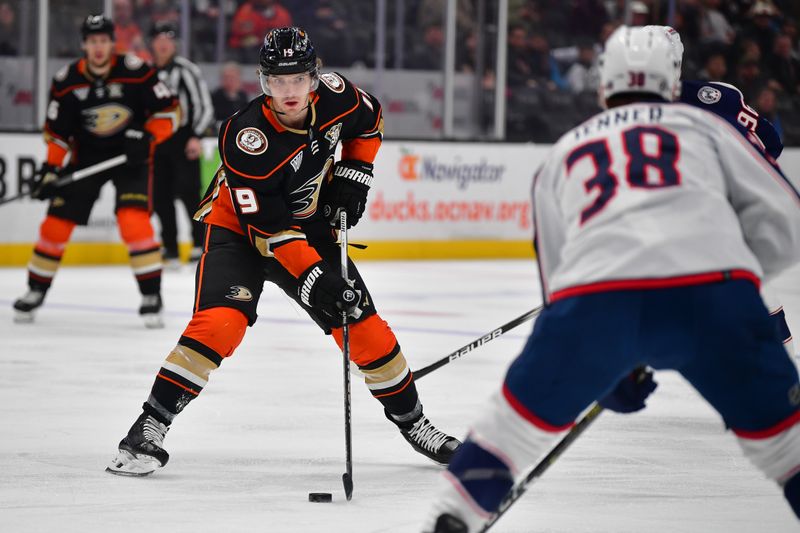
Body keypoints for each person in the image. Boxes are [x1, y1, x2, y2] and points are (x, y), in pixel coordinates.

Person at [423, 25, 800, 532]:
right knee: (788, 447)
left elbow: (557, 282)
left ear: (603, 84)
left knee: (506, 436)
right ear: (673, 81)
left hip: (598, 304)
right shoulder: (707, 125)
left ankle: (452, 517)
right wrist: (728, 266)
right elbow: (785, 221)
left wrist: (605, 362)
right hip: (714, 298)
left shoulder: (565, 150)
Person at [106, 26, 461, 477]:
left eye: (297, 79)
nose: (288, 90)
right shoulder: (245, 137)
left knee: (363, 325)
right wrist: (317, 277)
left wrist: (356, 172)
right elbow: (268, 229)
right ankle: (148, 426)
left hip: (309, 227)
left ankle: (416, 425)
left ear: (315, 78)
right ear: (263, 82)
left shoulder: (338, 97)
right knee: (221, 323)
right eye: (278, 80)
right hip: (240, 231)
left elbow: (370, 122)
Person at [12, 14, 178, 328]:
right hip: (86, 159)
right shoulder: (66, 80)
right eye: (92, 41)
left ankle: (151, 295)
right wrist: (50, 168)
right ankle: (35, 290)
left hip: (130, 158)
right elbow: (58, 133)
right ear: (84, 45)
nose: (98, 47)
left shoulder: (137, 72)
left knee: (134, 222)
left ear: (112, 43)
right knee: (55, 226)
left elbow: (171, 110)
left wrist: (147, 136)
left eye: (104, 41)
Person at [149, 22, 213, 265]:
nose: (164, 43)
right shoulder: (147, 73)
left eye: (168, 38)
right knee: (161, 195)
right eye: (159, 38)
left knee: (189, 193)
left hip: (184, 138)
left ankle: (199, 244)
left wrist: (196, 135)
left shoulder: (186, 70)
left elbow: (204, 106)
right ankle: (171, 248)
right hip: (157, 141)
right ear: (153, 43)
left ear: (174, 43)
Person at [211, 61, 250, 129]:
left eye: (233, 78)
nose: (230, 81)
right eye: (226, 78)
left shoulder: (243, 97)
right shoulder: (215, 97)